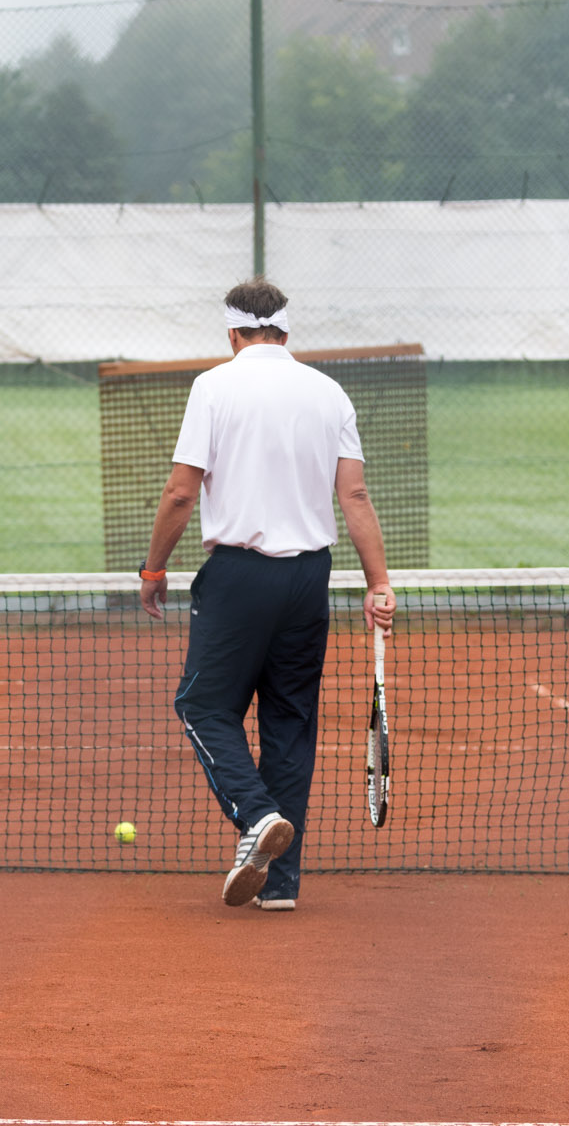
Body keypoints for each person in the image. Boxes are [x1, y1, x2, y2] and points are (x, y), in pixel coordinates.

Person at [139, 279, 395, 911]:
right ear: (285, 330)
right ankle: (280, 884)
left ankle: (254, 816)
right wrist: (378, 582)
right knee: (289, 724)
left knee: (203, 707)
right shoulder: (328, 392)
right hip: (309, 582)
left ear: (232, 333)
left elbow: (180, 492)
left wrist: (153, 570)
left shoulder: (214, 386)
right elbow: (355, 497)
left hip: (238, 580)